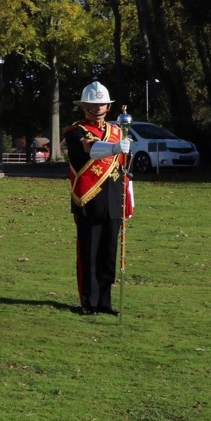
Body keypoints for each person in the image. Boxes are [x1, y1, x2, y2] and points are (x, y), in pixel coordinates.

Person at [62, 81, 132, 315]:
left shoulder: (117, 131)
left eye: (102, 103)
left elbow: (124, 168)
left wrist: (129, 193)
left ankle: (105, 301)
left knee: (108, 252)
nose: (98, 108)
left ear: (108, 106)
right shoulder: (74, 131)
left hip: (113, 198)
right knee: (89, 252)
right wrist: (115, 149)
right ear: (84, 106)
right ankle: (88, 302)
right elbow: (89, 148)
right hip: (89, 199)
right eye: (93, 104)